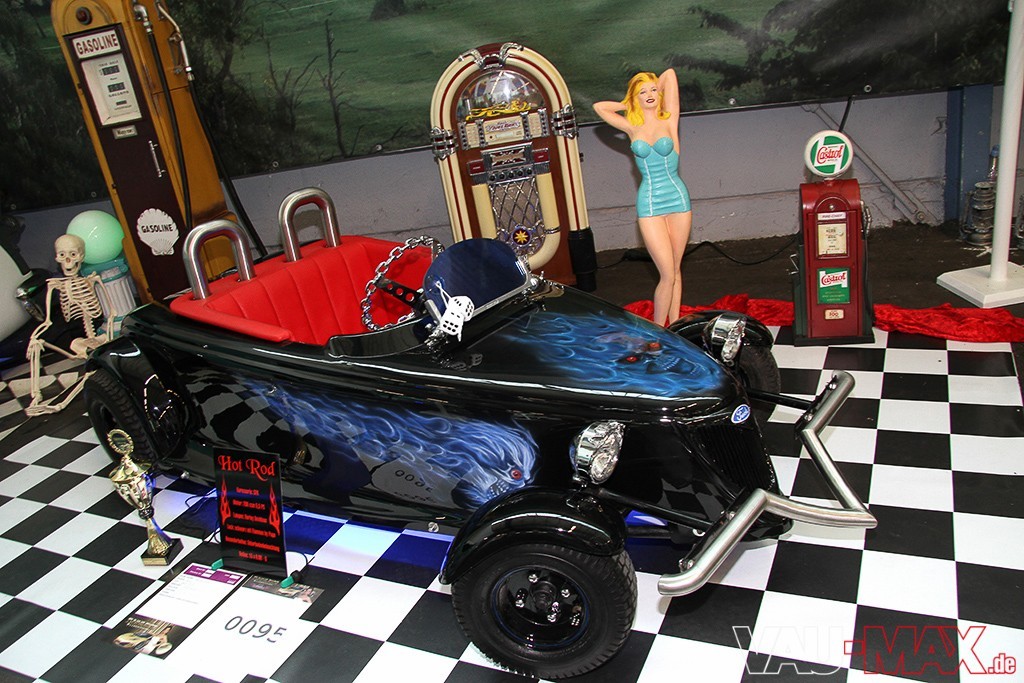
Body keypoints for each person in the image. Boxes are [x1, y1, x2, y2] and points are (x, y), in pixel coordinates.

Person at [593, 69, 692, 326]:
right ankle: (657, 333)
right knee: (667, 274)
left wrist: (654, 87)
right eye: (642, 92)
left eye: (653, 90)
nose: (649, 94)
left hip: (678, 199)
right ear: (634, 97)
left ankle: (676, 326)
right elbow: (600, 107)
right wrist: (628, 103)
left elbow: (669, 75)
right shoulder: (630, 125)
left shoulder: (669, 118)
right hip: (649, 203)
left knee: (675, 270)